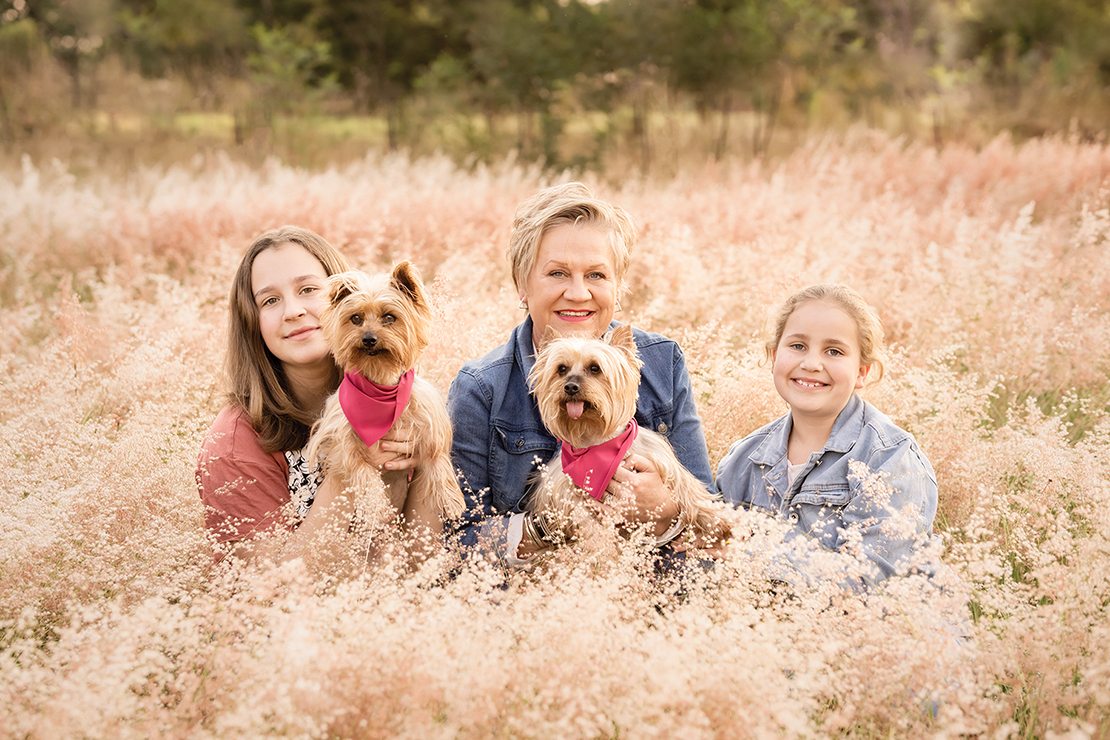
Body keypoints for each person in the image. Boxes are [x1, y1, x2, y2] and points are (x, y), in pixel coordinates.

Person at [446, 182, 714, 566]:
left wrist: (665, 511)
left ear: (618, 286)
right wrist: (546, 528)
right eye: (557, 273)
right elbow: (455, 540)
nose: (577, 293)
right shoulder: (482, 389)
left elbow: (710, 523)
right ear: (522, 283)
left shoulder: (661, 364)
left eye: (596, 275)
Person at [196, 226, 428, 563]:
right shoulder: (233, 447)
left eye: (308, 289)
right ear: (252, 321)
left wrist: (426, 461)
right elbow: (265, 594)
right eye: (270, 300)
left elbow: (424, 558)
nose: (294, 311)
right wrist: (347, 471)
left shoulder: (398, 394)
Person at [715, 284, 940, 590]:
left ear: (862, 372)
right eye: (797, 346)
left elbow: (871, 584)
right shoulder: (744, 459)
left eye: (833, 351)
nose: (811, 364)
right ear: (773, 356)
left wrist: (751, 555)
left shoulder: (889, 459)